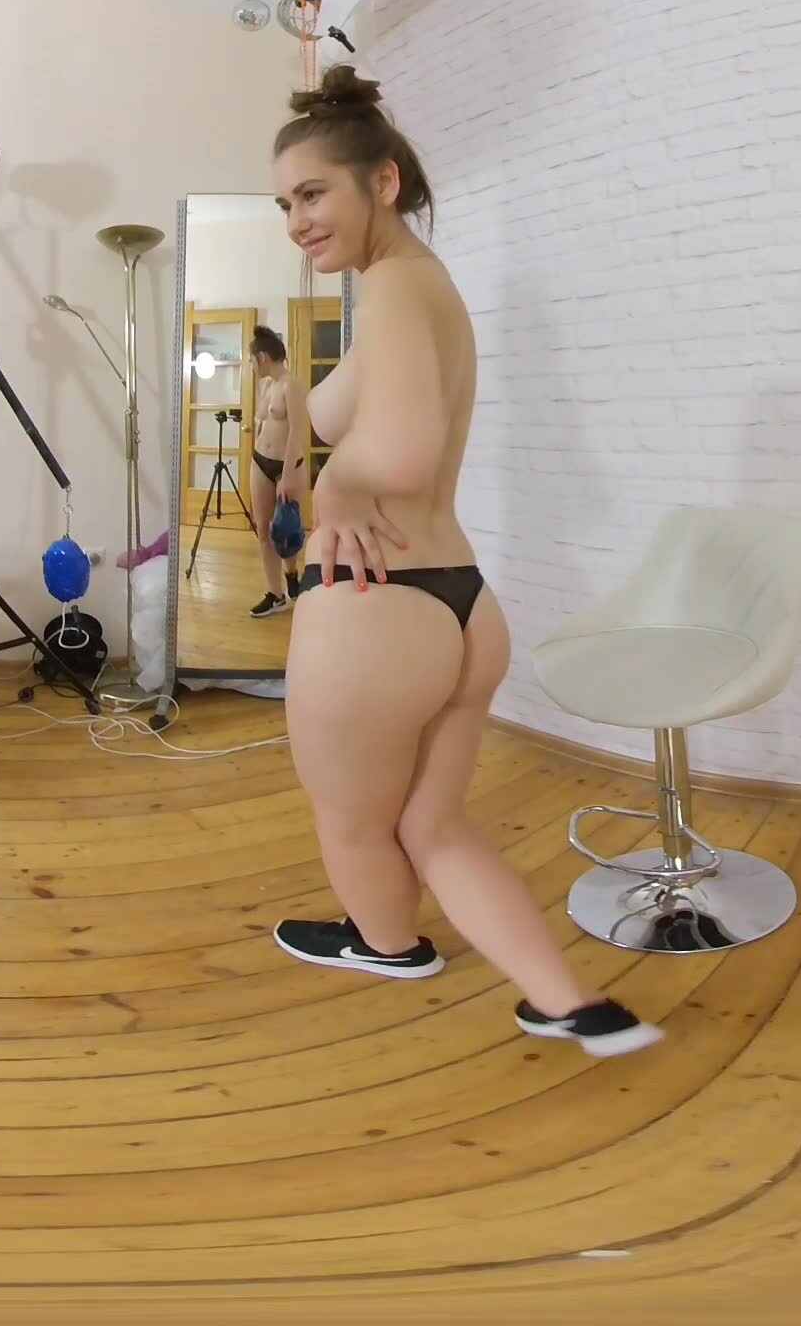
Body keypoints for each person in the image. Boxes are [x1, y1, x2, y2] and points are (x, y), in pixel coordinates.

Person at [264, 66, 660, 1058]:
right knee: (432, 825)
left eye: (312, 194)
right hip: (461, 609)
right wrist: (312, 417)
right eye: (285, 205)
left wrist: (338, 490)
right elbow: (333, 412)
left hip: (377, 610)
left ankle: (387, 943)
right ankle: (571, 1004)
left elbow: (398, 455)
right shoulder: (417, 287)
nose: (296, 222)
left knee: (355, 824)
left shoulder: (395, 289)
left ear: (382, 182)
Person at [246, 324, 304, 618]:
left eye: (252, 360)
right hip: (260, 461)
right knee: (263, 530)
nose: (251, 366)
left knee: (285, 530)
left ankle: (291, 573)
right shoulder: (268, 385)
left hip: (286, 466)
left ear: (262, 357)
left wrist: (289, 475)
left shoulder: (292, 385)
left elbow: (297, 431)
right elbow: (262, 423)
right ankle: (275, 594)